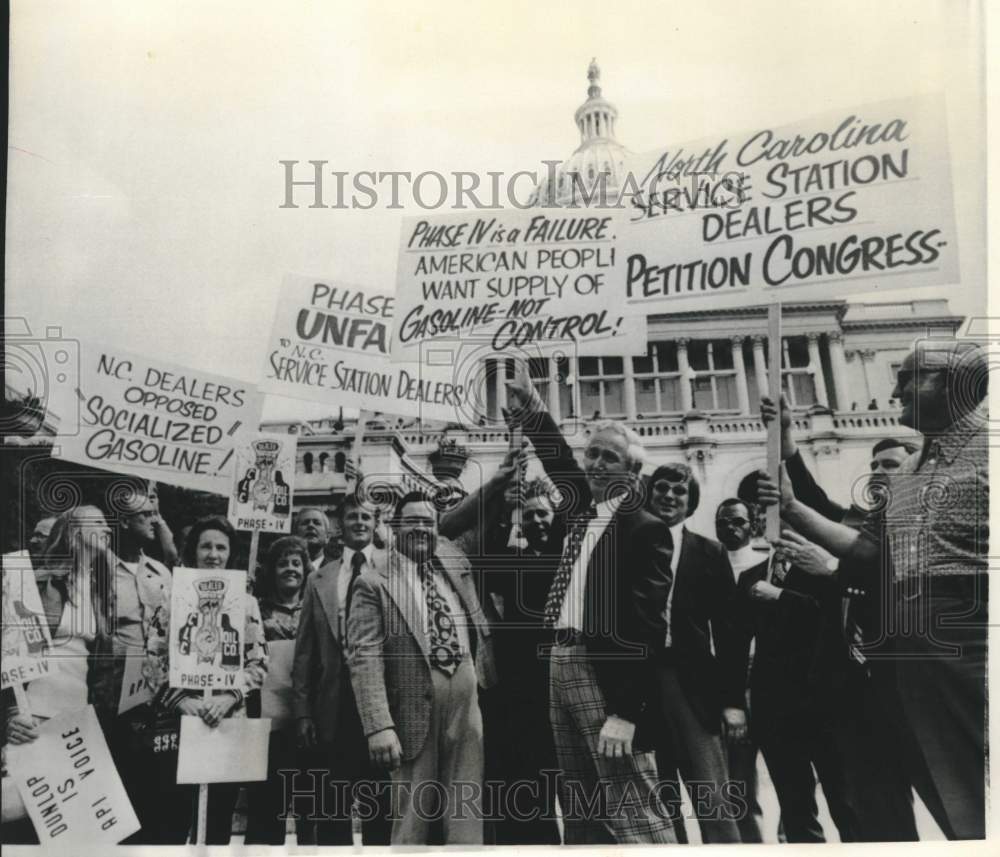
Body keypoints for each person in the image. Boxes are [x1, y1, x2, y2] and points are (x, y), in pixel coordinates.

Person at [760, 339, 989, 840]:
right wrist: (793, 508)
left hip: (968, 644)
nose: (895, 388)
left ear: (958, 386)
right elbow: (866, 550)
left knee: (976, 796)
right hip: (902, 659)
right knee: (949, 797)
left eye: (909, 377)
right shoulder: (909, 471)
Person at [504, 362, 677, 845]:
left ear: (632, 470)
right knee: (581, 804)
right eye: (593, 454)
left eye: (609, 457)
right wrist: (532, 406)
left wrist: (627, 710)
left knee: (632, 804)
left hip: (603, 670)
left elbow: (647, 624)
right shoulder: (580, 512)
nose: (596, 464)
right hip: (559, 663)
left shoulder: (645, 528)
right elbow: (559, 458)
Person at [761, 395, 920, 840]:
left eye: (890, 463)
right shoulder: (861, 521)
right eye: (875, 463)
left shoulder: (918, 529)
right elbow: (812, 500)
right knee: (871, 805)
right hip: (848, 693)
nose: (879, 471)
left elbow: (894, 597)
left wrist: (832, 571)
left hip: (902, 687)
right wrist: (787, 437)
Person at [347, 491, 497, 844]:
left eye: (427, 522)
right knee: (412, 819)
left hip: (467, 706)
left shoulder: (454, 562)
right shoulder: (373, 581)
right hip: (411, 709)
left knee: (465, 813)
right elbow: (364, 656)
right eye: (411, 521)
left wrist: (504, 475)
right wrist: (378, 726)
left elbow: (473, 514)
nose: (420, 529)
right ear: (394, 528)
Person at [727, 496, 858, 843]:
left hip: (824, 705)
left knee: (846, 802)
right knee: (796, 807)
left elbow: (835, 620)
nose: (783, 528)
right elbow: (736, 645)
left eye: (789, 520)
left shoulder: (825, 570)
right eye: (773, 520)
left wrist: (781, 598)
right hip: (774, 710)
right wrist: (736, 703)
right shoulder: (751, 577)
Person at [645, 463, 743, 844]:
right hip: (641, 684)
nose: (669, 495)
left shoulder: (709, 552)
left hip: (693, 686)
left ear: (691, 503)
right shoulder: (628, 548)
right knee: (658, 798)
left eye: (679, 491)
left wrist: (733, 701)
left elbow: (730, 634)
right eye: (662, 487)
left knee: (713, 795)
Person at [291, 495, 392, 845]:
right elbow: (305, 652)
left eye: (366, 516)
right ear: (340, 525)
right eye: (352, 516)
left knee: (381, 807)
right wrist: (303, 712)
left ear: (376, 523)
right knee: (332, 808)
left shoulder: (393, 570)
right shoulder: (319, 578)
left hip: (382, 709)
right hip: (333, 708)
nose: (360, 522)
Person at [167, 515, 268, 845]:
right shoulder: (172, 598)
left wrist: (229, 698)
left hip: (225, 722)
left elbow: (258, 664)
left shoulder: (246, 603)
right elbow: (152, 658)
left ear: (230, 553)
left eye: (220, 547)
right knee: (173, 819)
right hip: (180, 722)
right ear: (192, 550)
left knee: (217, 823)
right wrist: (181, 700)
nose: (213, 554)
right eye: (206, 546)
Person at [245, 536, 311, 845]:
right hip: (267, 724)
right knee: (266, 810)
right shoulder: (255, 609)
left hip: (307, 723)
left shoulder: (315, 609)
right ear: (271, 570)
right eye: (283, 563)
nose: (290, 569)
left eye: (296, 563)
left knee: (311, 811)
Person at [714, 499, 770, 843]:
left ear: (752, 525)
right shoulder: (710, 565)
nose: (731, 528)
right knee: (740, 779)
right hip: (730, 679)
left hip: (766, 672)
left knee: (790, 775)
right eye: (723, 522)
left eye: (738, 522)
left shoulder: (766, 565)